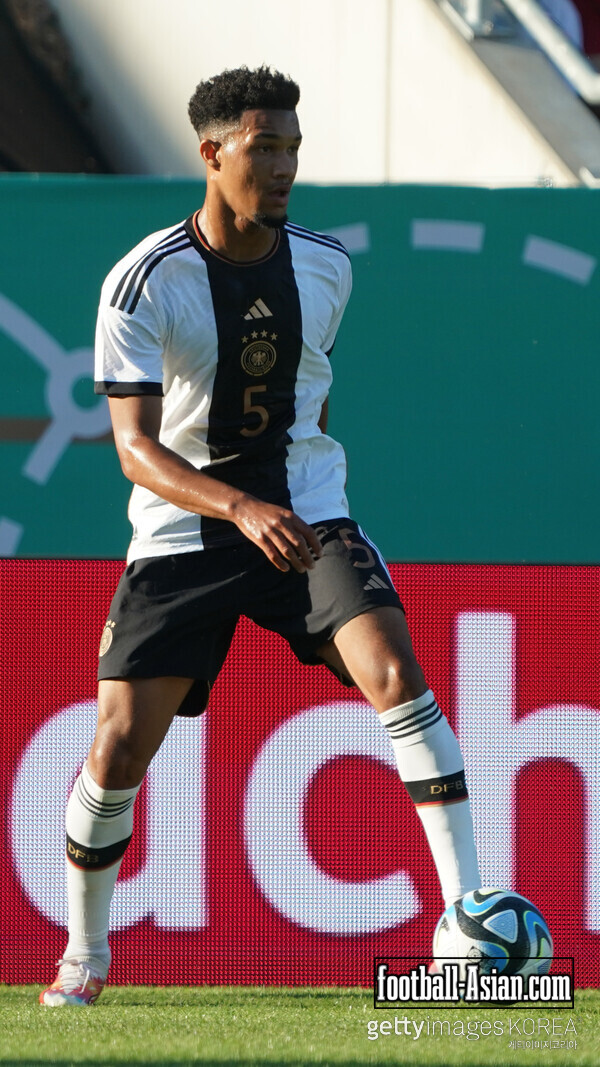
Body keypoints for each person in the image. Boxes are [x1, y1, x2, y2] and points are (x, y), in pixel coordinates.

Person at [40, 65, 480, 1007]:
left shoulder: (327, 267)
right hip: (185, 531)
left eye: (292, 147)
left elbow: (306, 402)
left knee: (398, 674)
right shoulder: (143, 279)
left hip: (309, 513)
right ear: (211, 152)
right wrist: (237, 505)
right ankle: (85, 954)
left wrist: (284, 500)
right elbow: (132, 449)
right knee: (118, 745)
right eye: (263, 147)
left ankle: (469, 921)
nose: (283, 166)